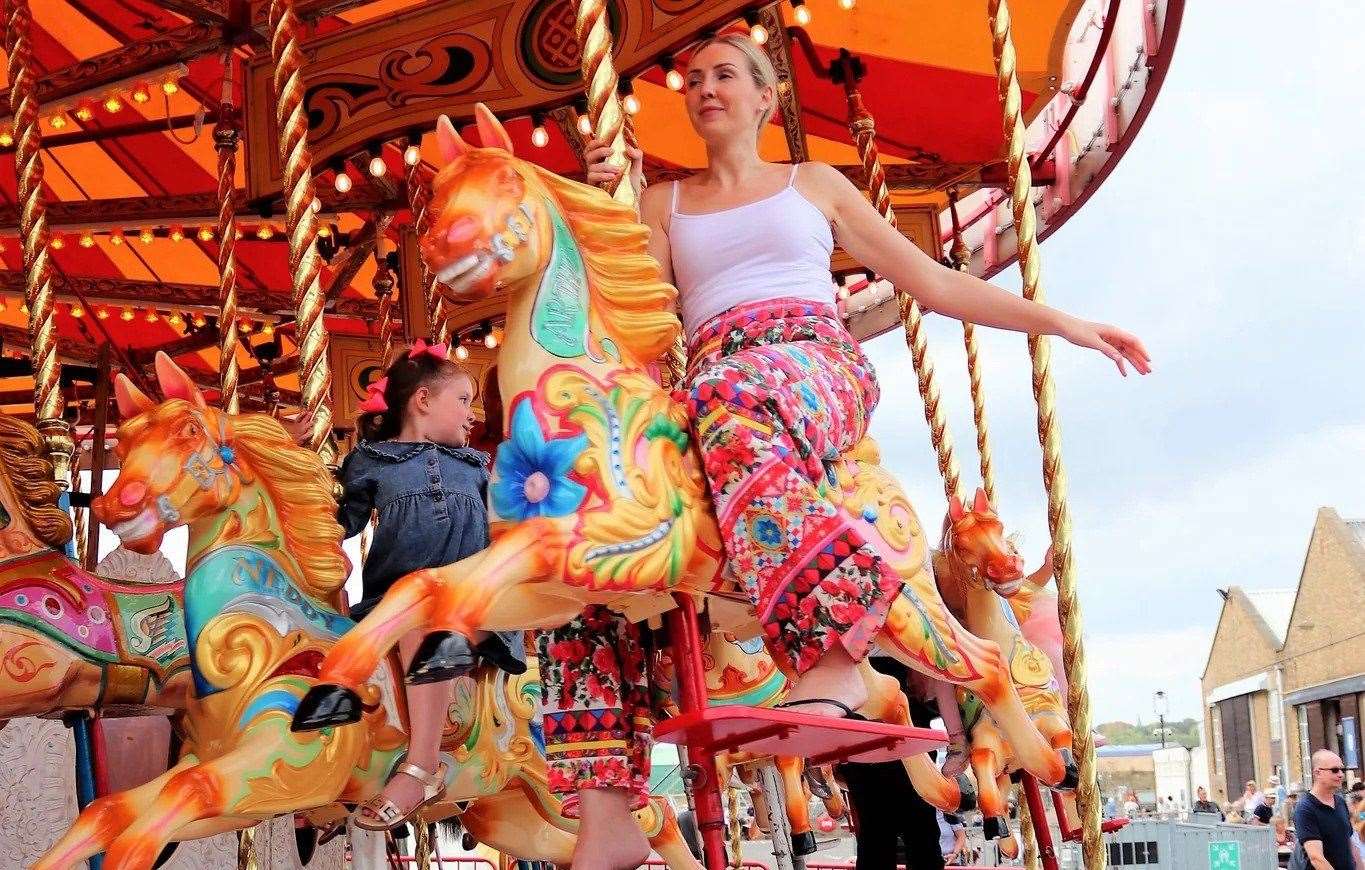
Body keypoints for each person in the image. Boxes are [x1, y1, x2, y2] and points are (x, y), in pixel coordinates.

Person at [565, 30, 1150, 870]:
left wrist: (1061, 321)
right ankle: (605, 808)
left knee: (729, 401)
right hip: (712, 384)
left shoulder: (813, 185)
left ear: (766, 98)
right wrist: (602, 221)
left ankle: (835, 650)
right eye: (692, 79)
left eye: (724, 74)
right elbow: (640, 327)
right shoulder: (663, 202)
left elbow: (932, 281)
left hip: (810, 363)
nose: (703, 88)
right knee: (590, 543)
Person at [333, 343, 526, 829]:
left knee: (432, 613)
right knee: (413, 611)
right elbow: (338, 525)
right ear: (422, 401)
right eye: (463, 400)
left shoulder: (478, 466)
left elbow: (507, 522)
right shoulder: (370, 461)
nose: (472, 413)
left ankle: (421, 767)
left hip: (474, 606)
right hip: (396, 604)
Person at [1293, 749, 1363, 869]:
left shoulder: (1340, 802)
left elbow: (1350, 844)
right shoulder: (1305, 808)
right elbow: (1316, 858)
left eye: (1342, 770)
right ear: (1317, 773)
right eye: (1334, 770)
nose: (1340, 774)